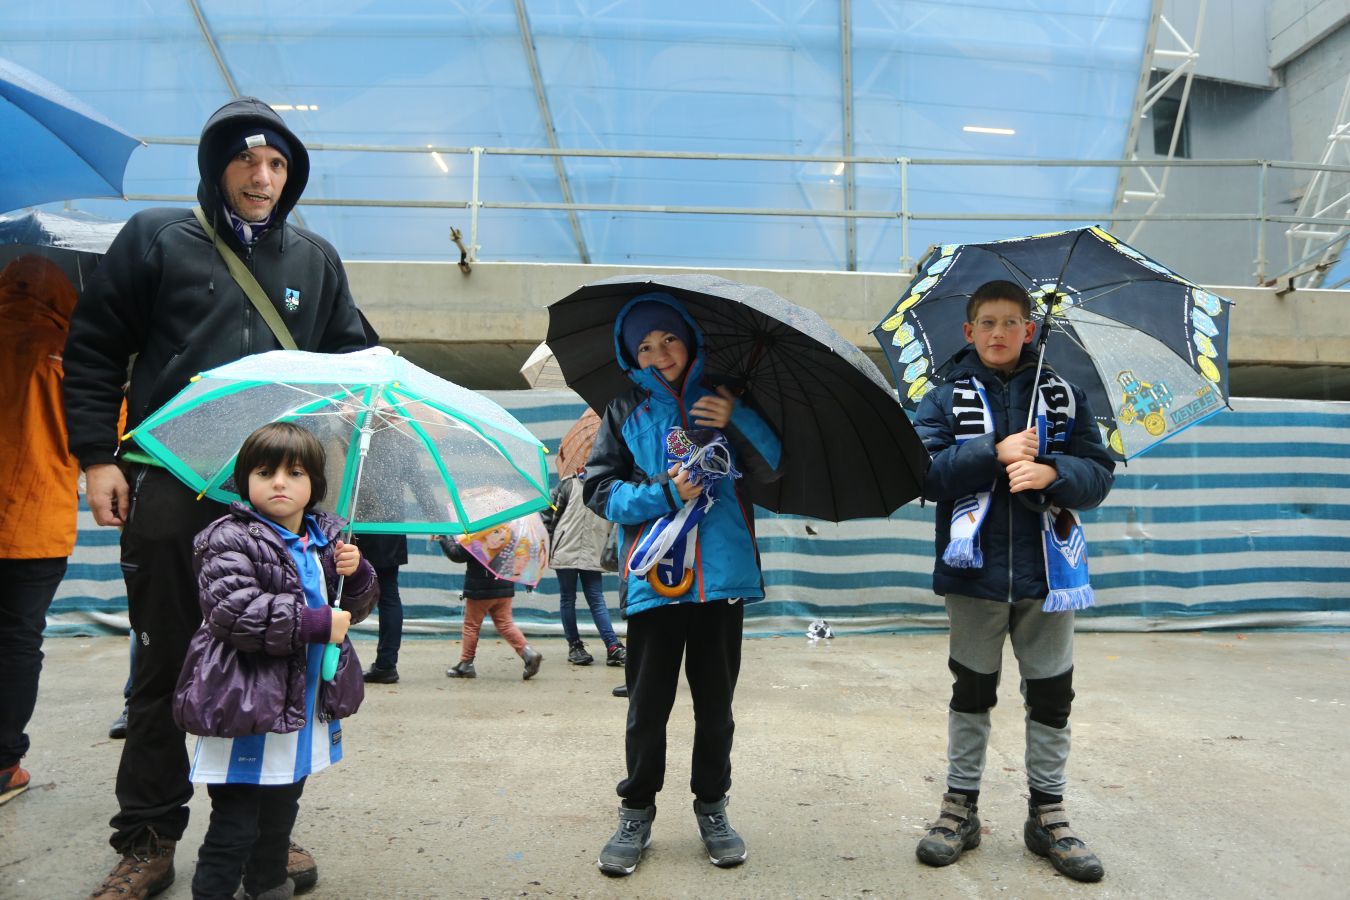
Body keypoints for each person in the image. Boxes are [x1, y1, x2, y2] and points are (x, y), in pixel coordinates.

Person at [63, 96, 371, 899]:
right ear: (216, 166)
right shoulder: (158, 238)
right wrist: (99, 457)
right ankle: (148, 837)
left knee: (275, 659)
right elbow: (94, 346)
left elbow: (357, 361)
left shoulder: (315, 259)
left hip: (276, 502)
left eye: (277, 165)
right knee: (167, 663)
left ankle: (264, 830)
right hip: (172, 487)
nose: (262, 177)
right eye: (246, 160)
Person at [910, 280, 1115, 883]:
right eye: (986, 323)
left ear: (1030, 329)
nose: (999, 333)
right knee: (970, 694)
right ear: (968, 332)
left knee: (1052, 697)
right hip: (973, 578)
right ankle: (960, 810)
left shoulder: (1065, 395)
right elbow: (923, 473)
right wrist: (993, 451)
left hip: (1050, 575)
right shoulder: (942, 397)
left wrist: (1052, 471)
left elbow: (1098, 476)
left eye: (1010, 322)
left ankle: (1047, 814)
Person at [582, 293, 781, 876]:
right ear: (631, 356)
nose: (658, 352)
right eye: (644, 346)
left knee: (716, 708)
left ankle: (713, 807)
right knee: (648, 707)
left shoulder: (725, 399)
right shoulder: (622, 412)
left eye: (668, 339)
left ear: (690, 339)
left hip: (720, 585)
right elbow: (600, 494)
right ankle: (636, 811)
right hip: (655, 584)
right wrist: (668, 493)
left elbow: (773, 467)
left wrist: (735, 418)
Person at [174, 422, 377, 900]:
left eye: (296, 472)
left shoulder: (328, 539)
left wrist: (359, 572)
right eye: (265, 471)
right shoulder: (227, 538)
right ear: (245, 480)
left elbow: (355, 609)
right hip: (246, 703)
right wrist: (315, 623)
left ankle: (268, 886)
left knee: (280, 817)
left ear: (316, 485)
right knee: (235, 824)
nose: (280, 482)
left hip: (301, 709)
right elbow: (233, 611)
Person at [0, 255, 81, 805]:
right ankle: (4, 764)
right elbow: (110, 432)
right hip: (36, 526)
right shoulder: (70, 357)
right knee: (17, 643)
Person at [543, 468, 626, 667]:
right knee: (568, 597)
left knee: (597, 598)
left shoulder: (606, 487)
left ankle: (612, 646)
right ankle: (575, 646)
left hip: (593, 552)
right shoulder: (568, 484)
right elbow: (549, 514)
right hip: (565, 550)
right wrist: (545, 545)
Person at [437, 532, 543, 680]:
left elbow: (457, 555)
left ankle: (466, 664)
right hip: (504, 585)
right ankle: (528, 653)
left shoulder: (479, 531)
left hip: (481, 588)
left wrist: (443, 538)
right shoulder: (509, 530)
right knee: (505, 624)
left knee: (471, 626)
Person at [356, 533, 408, 684]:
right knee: (389, 596)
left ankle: (336, 661)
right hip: (392, 531)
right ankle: (386, 665)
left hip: (363, 530)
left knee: (344, 592)